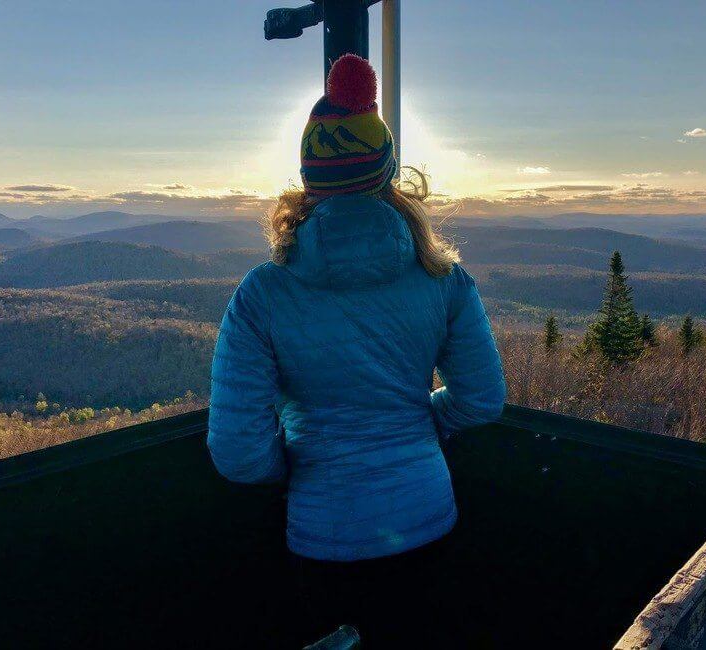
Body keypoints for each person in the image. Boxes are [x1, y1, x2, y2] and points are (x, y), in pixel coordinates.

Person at [207, 54, 506, 647]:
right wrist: (423, 423)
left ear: (307, 179)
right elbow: (482, 400)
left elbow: (238, 453)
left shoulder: (262, 293)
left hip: (325, 537)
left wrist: (298, 462)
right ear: (388, 173)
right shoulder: (442, 276)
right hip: (430, 519)